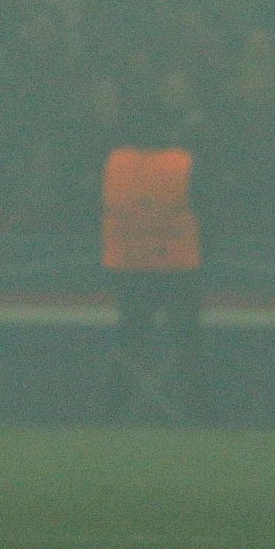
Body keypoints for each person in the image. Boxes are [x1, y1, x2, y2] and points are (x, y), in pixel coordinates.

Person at [101, 66, 210, 421]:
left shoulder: (115, 162)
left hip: (129, 267)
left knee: (129, 339)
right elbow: (208, 206)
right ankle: (193, 411)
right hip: (179, 266)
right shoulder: (184, 162)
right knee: (186, 342)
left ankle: (116, 409)